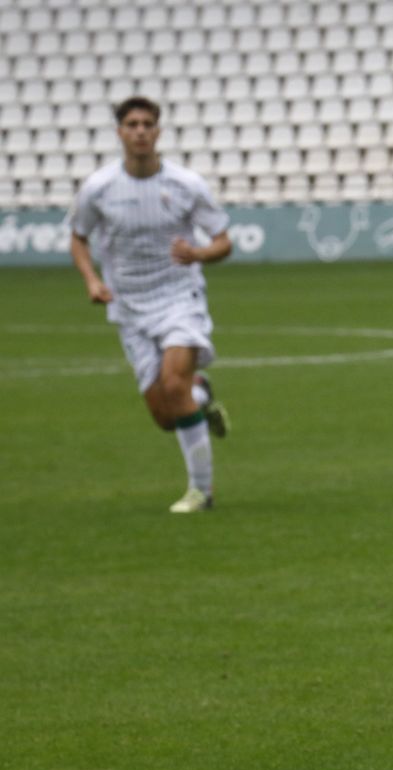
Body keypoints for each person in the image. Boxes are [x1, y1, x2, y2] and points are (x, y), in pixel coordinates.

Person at [69, 96, 233, 513]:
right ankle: (200, 397)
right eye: (132, 124)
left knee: (173, 384)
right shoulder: (99, 188)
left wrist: (198, 254)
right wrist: (92, 280)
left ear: (158, 132)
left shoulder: (186, 184)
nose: (140, 131)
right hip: (129, 307)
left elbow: (223, 241)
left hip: (180, 297)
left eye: (147, 124)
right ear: (120, 132)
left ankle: (201, 491)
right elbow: (78, 237)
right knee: (165, 416)